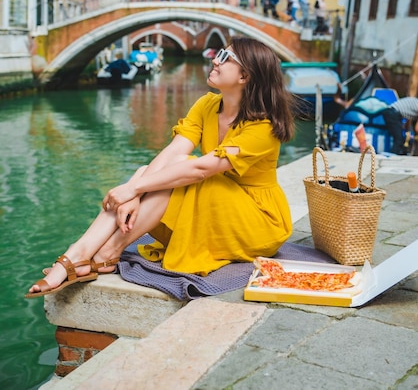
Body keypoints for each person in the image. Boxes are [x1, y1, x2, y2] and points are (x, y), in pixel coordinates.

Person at [26, 37, 297, 297]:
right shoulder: (207, 105)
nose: (215, 60)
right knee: (149, 170)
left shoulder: (264, 127)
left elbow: (200, 169)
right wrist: (134, 188)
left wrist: (133, 188)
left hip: (257, 219)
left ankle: (106, 252)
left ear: (245, 76)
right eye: (218, 53)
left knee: (175, 172)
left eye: (225, 57)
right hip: (214, 205)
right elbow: (173, 151)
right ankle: (79, 253)